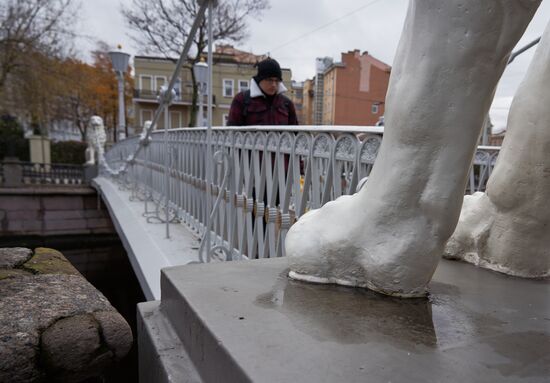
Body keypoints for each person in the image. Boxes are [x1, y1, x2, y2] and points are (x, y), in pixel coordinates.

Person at [227, 57, 298, 126]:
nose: (274, 84)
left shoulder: (286, 104)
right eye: (269, 80)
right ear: (259, 80)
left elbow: (295, 133)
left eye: (277, 80)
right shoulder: (242, 100)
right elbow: (232, 132)